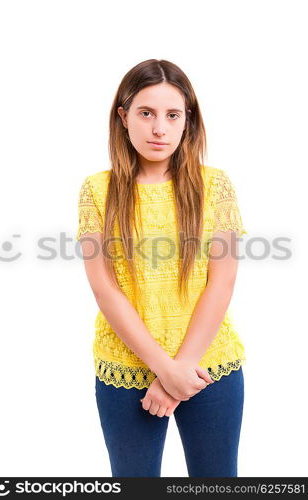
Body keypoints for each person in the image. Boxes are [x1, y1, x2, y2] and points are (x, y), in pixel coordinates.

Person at [76, 59, 247, 477]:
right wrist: (166, 369)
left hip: (208, 365)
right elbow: (105, 289)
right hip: (127, 369)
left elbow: (220, 285)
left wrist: (181, 369)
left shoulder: (215, 185)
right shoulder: (97, 190)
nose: (159, 129)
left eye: (173, 115)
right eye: (146, 113)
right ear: (123, 117)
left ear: (187, 120)